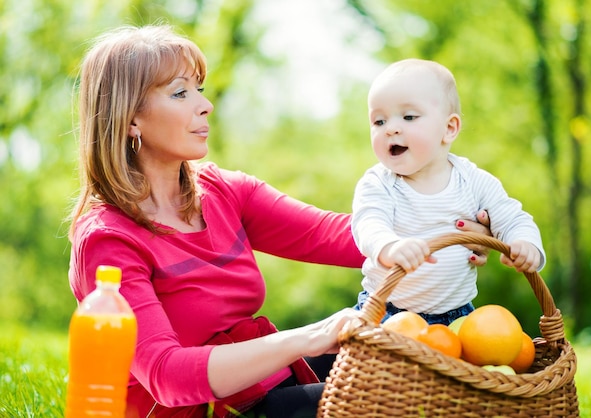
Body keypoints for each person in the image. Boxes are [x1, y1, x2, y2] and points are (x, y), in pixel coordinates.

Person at [67, 26, 493, 418]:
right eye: (180, 94)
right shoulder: (108, 239)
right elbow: (167, 375)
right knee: (379, 403)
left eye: (199, 88)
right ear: (130, 118)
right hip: (190, 410)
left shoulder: (223, 192)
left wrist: (450, 235)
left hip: (258, 391)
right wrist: (311, 336)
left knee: (417, 373)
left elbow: (339, 236)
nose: (205, 104)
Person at [352, 58, 546, 326]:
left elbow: (512, 217)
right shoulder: (379, 183)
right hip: (386, 311)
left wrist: (525, 243)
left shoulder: (474, 182)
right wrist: (390, 246)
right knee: (379, 366)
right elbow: (368, 223)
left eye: (409, 117)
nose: (391, 128)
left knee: (468, 362)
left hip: (457, 316)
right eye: (379, 121)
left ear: (449, 128)